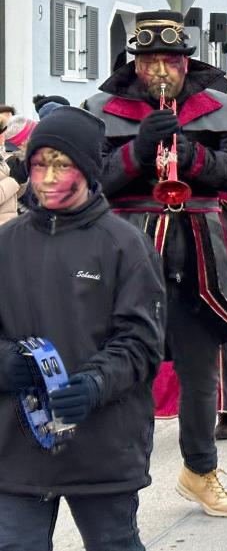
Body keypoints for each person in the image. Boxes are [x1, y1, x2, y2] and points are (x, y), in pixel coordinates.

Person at [86, 10, 227, 518]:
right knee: (128, 369)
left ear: (187, 63)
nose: (161, 69)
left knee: (200, 372)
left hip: (203, 252)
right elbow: (92, 183)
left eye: (171, 60)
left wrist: (193, 156)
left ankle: (200, 470)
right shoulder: (101, 110)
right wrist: (139, 151)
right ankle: (123, 474)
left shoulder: (218, 107)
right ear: (134, 64)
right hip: (128, 251)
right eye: (150, 60)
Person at [0, 107, 165, 551]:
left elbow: (142, 341)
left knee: (114, 543)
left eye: (62, 164)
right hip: (16, 443)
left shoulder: (125, 245)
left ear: (89, 172)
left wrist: (94, 384)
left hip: (103, 439)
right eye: (39, 164)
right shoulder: (5, 244)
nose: (49, 176)